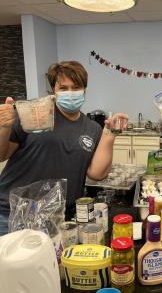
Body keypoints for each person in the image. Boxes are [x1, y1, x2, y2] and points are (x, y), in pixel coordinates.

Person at [0, 60, 128, 236]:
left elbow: (97, 173)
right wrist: (4, 127)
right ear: (54, 90)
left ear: (84, 90)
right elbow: (2, 154)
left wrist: (110, 134)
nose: (70, 92)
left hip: (60, 218)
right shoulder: (35, 113)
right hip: (12, 214)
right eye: (63, 88)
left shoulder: (91, 128)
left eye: (76, 87)